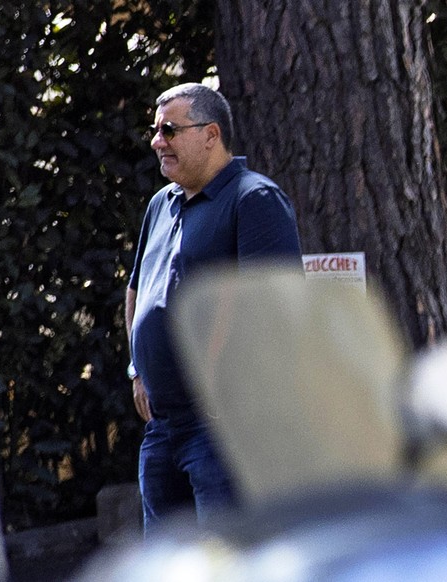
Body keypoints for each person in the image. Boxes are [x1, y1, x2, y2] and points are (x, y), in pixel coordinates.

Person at [125, 83, 303, 532]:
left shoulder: (253, 199)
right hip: (162, 428)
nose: (156, 141)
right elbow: (136, 291)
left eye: (169, 129)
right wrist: (137, 370)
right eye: (155, 130)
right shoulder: (159, 206)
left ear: (211, 134)